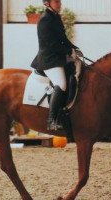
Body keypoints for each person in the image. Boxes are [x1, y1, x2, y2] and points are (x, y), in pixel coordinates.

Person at [31, 0, 83, 131]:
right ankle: (51, 120)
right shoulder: (45, 19)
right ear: (47, 3)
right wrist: (68, 51)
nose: (59, 4)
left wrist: (74, 48)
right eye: (56, 2)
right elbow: (51, 44)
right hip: (48, 59)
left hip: (58, 58)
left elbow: (63, 38)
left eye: (59, 1)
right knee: (61, 84)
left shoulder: (56, 17)